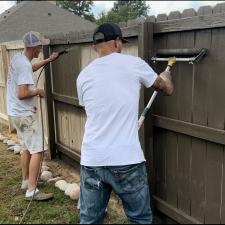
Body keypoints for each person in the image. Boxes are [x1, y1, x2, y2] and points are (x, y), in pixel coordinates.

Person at [76, 23, 174, 224]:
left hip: (92, 159)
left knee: (90, 220)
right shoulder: (134, 63)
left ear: (96, 46)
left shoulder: (83, 76)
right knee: (139, 219)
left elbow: (94, 110)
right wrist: (165, 75)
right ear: (116, 42)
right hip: (126, 160)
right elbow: (167, 89)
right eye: (121, 42)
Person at [7, 31, 59, 201]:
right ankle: (31, 191)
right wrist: (38, 92)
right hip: (24, 115)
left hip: (16, 112)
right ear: (35, 47)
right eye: (39, 47)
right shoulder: (23, 66)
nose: (40, 50)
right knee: (39, 150)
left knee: (26, 148)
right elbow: (22, 94)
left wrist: (48, 60)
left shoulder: (18, 59)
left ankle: (25, 182)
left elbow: (30, 68)